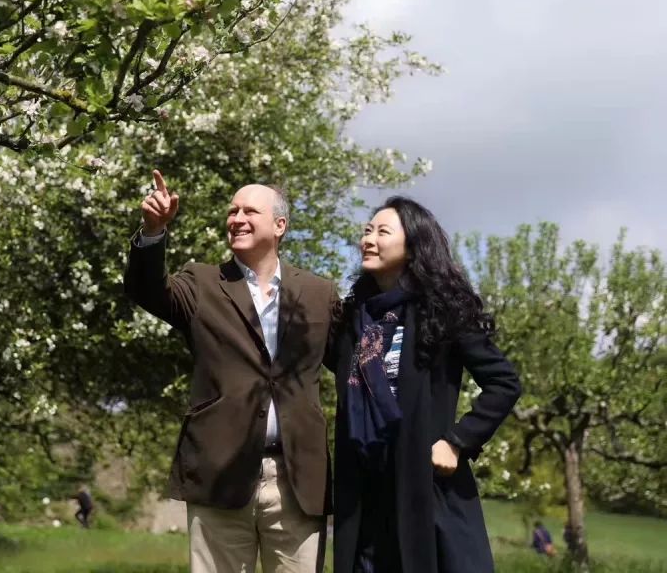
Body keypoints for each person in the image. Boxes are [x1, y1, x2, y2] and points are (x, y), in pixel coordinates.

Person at [125, 170, 338, 573]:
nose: (236, 218)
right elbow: (146, 290)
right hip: (219, 474)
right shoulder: (201, 283)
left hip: (297, 481)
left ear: (279, 225)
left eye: (249, 211)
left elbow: (352, 363)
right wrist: (152, 233)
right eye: (232, 210)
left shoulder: (318, 293)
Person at [327, 196, 521, 573]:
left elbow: (504, 383)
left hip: (424, 486)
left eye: (383, 232)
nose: (369, 239)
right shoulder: (353, 320)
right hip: (366, 491)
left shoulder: (443, 311)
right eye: (367, 231)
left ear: (413, 245)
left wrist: (458, 440)